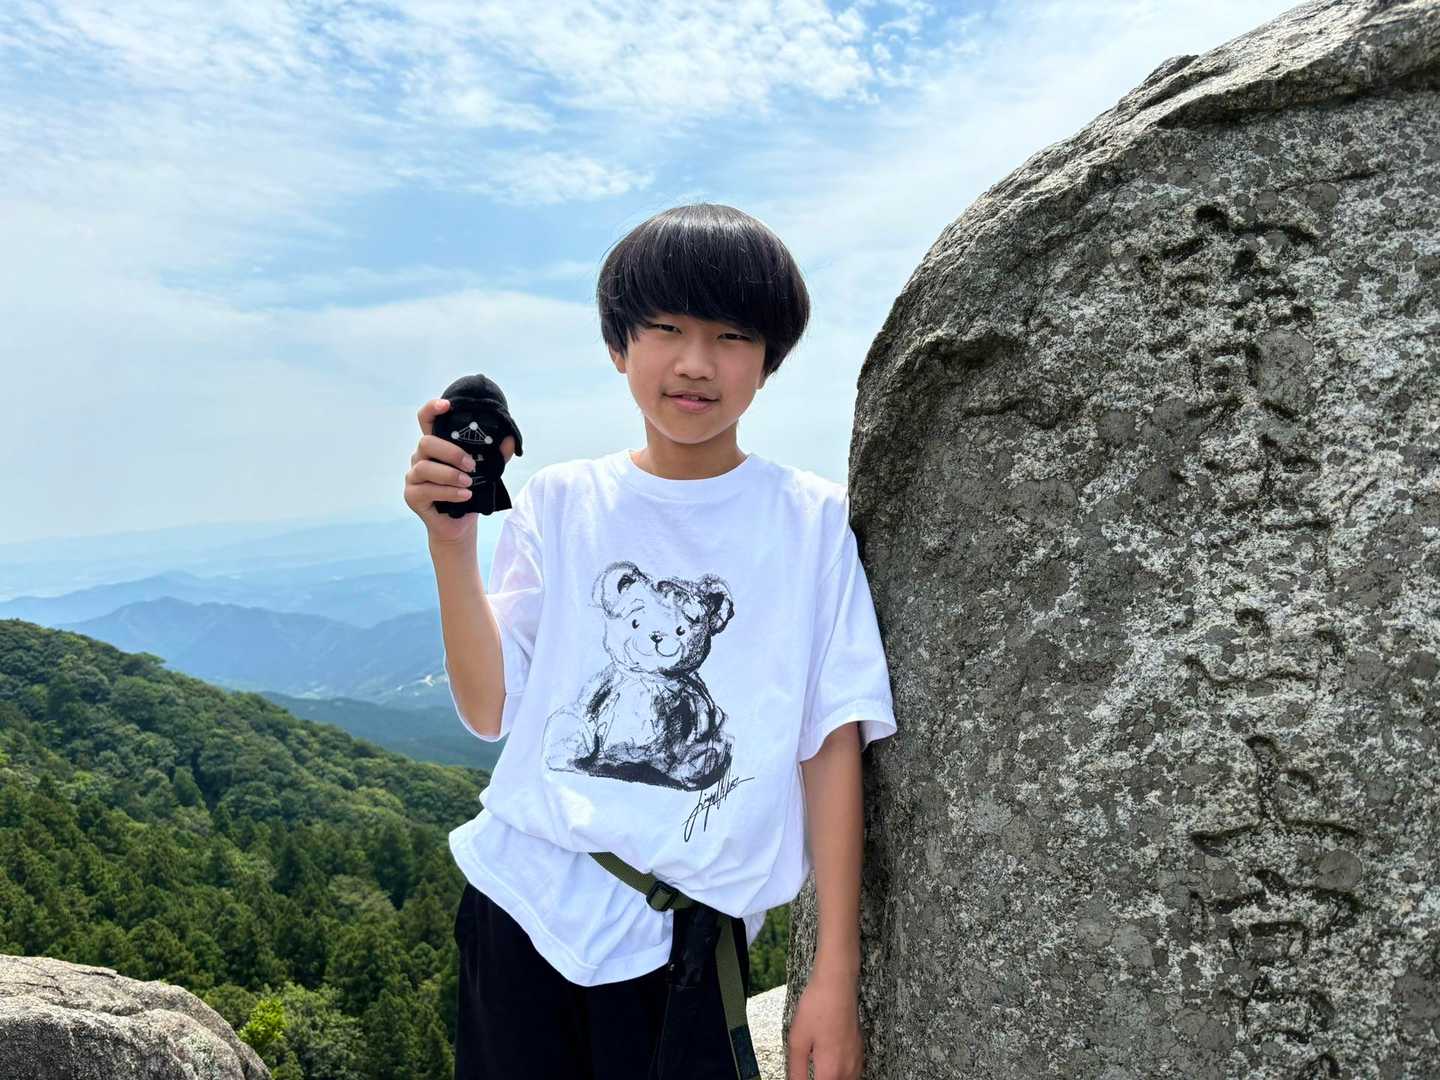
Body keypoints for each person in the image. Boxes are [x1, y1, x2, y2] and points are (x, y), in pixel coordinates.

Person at [403, 202, 897, 1080]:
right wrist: (452, 544)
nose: (695, 362)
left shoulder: (810, 522)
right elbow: (489, 710)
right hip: (519, 908)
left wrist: (834, 976)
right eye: (666, 328)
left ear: (769, 360)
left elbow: (831, 743)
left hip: (685, 947)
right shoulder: (562, 502)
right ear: (618, 344)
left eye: (732, 335)